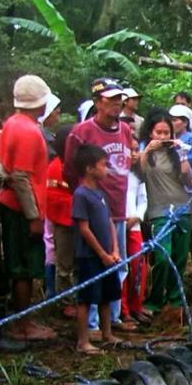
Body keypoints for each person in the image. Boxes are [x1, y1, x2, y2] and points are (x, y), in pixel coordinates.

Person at [65, 78, 138, 333]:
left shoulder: (126, 131)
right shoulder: (82, 132)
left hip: (117, 206)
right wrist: (85, 198)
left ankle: (113, 318)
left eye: (120, 99)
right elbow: (69, 169)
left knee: (119, 264)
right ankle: (93, 324)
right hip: (92, 208)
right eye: (111, 99)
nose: (117, 104)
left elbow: (127, 166)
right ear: (98, 102)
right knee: (95, 264)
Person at [0, 75, 57, 345]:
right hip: (21, 207)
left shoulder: (12, 123)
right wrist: (34, 216)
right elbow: (21, 177)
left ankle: (23, 319)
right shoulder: (28, 131)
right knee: (22, 265)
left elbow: (2, 164)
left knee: (20, 262)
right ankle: (22, 323)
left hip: (13, 203)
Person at [138, 113, 192, 319]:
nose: (162, 136)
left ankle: (176, 300)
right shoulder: (146, 153)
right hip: (158, 210)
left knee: (179, 257)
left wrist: (183, 154)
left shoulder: (176, 153)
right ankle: (154, 299)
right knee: (162, 256)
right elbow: (139, 174)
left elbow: (186, 177)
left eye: (166, 132)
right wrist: (146, 151)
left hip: (181, 208)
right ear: (150, 132)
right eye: (158, 132)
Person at [71, 145, 123, 355]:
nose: (107, 169)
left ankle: (107, 333)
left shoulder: (100, 193)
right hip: (89, 256)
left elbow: (109, 222)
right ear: (89, 168)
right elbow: (84, 229)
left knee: (106, 295)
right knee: (86, 298)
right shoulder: (81, 195)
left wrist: (115, 249)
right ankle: (83, 341)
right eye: (103, 165)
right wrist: (101, 253)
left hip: (107, 256)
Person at [169, 103, 192, 283]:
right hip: (169, 190)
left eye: (175, 120)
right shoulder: (165, 138)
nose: (172, 123)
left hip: (190, 190)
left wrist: (175, 164)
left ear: (184, 122)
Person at [46, 126, 75, 317]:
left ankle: (76, 299)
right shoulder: (56, 167)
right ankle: (64, 301)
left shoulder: (77, 165)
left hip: (79, 221)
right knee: (64, 263)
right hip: (63, 221)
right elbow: (53, 197)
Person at [120, 162, 147, 326]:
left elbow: (143, 199)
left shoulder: (138, 175)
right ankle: (123, 310)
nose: (135, 153)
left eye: (137, 149)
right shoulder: (113, 174)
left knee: (138, 267)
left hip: (135, 225)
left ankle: (136, 306)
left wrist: (137, 216)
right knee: (122, 269)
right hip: (118, 225)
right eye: (132, 150)